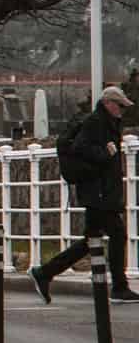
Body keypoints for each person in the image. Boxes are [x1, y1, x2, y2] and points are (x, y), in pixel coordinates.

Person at [33, 86, 137, 303]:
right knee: (117, 234)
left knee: (91, 240)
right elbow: (80, 148)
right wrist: (105, 153)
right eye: (120, 106)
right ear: (109, 103)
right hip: (97, 193)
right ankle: (119, 287)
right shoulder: (95, 123)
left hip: (100, 191)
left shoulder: (106, 123)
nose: (122, 111)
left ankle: (44, 273)